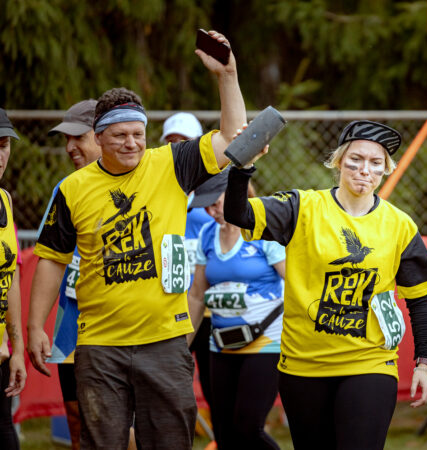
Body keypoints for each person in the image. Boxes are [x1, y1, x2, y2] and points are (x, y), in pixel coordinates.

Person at [26, 30, 245, 448]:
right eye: (119, 135)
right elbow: (53, 259)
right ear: (99, 137)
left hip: (164, 340)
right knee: (102, 442)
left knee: (168, 441)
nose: (131, 143)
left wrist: (227, 76)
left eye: (138, 134)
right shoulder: (73, 189)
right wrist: (37, 325)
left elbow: (234, 142)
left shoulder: (172, 164)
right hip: (100, 344)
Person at [224, 119, 427, 450]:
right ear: (340, 160)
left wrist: (424, 362)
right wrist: (244, 166)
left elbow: (420, 299)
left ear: (385, 170)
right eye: (355, 159)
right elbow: (237, 214)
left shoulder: (399, 225)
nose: (364, 170)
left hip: (369, 361)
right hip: (303, 365)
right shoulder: (303, 208)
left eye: (375, 162)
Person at [187, 170, 285, 449]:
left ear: (235, 194)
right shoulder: (207, 233)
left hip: (265, 344)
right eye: (206, 205)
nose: (211, 211)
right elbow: (196, 296)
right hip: (222, 345)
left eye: (215, 203)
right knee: (225, 433)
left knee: (247, 427)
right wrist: (185, 344)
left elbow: (294, 282)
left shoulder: (263, 231)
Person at [40, 99, 105, 450]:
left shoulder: (141, 182)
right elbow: (50, 260)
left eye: (77, 137)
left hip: (122, 332)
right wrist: (36, 327)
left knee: (119, 428)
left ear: (101, 134)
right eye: (65, 140)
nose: (69, 148)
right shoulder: (64, 189)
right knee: (77, 423)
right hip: (71, 332)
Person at [161, 111, 215, 411]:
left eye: (185, 141)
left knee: (214, 394)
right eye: (172, 141)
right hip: (167, 309)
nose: (178, 147)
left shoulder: (215, 196)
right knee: (167, 389)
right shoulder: (156, 192)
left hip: (207, 314)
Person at [0, 108, 27, 450]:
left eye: (4, 144)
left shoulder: (4, 200)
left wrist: (17, 348)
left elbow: (12, 278)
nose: (0, 155)